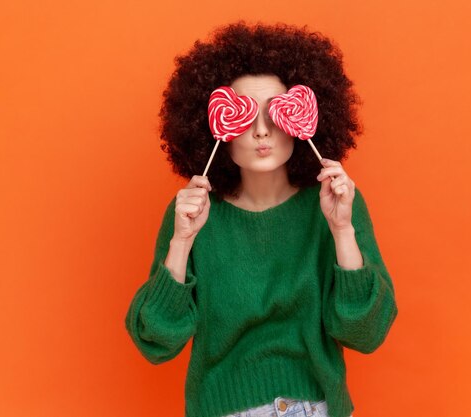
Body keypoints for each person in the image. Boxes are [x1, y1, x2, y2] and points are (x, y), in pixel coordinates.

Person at [125, 21, 398, 417]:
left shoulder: (336, 204)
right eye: (243, 115)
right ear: (216, 124)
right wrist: (181, 242)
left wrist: (342, 230)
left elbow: (367, 334)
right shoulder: (192, 212)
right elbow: (156, 341)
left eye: (276, 112)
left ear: (303, 116)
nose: (261, 130)